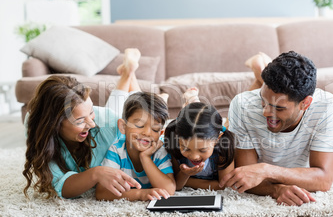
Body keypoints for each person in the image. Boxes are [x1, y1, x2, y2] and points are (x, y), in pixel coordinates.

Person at [23, 48, 153, 199]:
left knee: (135, 109)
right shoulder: (36, 126)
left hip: (108, 122)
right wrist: (96, 173)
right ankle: (127, 72)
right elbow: (60, 185)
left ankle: (128, 73)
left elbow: (142, 120)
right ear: (54, 125)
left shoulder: (107, 121)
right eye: (79, 120)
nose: (91, 124)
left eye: (91, 111)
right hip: (105, 121)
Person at [219, 51, 333, 206]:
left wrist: (266, 170)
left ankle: (259, 65)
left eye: (278, 108)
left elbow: (324, 180)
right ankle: (259, 69)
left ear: (305, 103)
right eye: (263, 101)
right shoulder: (242, 104)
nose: (265, 112)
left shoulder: (329, 107)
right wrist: (276, 190)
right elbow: (246, 175)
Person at [95, 92, 176, 201]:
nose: (147, 133)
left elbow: (169, 189)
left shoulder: (160, 151)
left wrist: (145, 157)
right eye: (139, 125)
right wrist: (140, 194)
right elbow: (101, 192)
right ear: (123, 127)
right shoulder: (116, 150)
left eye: (155, 129)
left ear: (160, 133)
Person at [164, 87, 235, 190]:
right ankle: (191, 102)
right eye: (186, 149)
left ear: (217, 139)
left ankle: (192, 101)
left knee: (230, 123)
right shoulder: (174, 146)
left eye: (202, 150)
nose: (194, 157)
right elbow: (176, 185)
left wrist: (187, 181)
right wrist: (185, 174)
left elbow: (224, 185)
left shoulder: (224, 148)